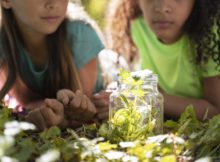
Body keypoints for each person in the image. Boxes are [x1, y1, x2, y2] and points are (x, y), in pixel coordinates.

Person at [95, 0, 220, 120]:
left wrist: (145, 98)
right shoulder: (141, 28)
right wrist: (120, 91)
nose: (162, 8)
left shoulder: (210, 35)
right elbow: (157, 90)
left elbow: (216, 110)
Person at [0, 0, 105, 130]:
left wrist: (62, 115)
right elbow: (26, 104)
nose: (53, 3)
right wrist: (35, 113)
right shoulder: (3, 44)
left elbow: (81, 112)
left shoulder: (80, 35)